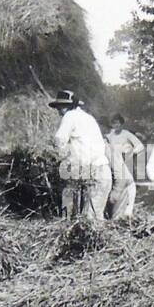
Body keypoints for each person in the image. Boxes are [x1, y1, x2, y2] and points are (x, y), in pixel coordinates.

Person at [50, 89, 111, 219]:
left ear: (68, 106)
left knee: (87, 220)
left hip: (91, 171)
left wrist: (56, 155)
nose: (59, 111)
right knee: (94, 217)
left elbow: (59, 139)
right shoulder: (88, 118)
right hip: (100, 171)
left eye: (61, 107)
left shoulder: (70, 116)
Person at [105, 113, 143, 220]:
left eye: (118, 123)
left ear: (121, 124)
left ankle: (129, 209)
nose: (116, 126)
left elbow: (140, 146)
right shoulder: (108, 136)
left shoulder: (126, 134)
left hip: (125, 161)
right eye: (114, 123)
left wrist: (130, 153)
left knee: (128, 183)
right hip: (112, 163)